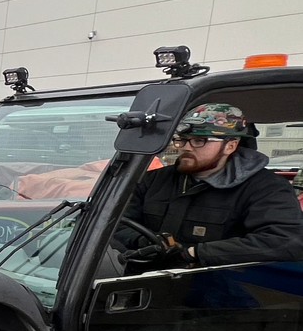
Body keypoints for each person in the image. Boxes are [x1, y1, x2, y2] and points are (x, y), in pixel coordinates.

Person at [122, 102, 303, 270]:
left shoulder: (265, 188)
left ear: (230, 146)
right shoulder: (153, 180)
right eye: (183, 139)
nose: (186, 148)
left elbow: (286, 241)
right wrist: (145, 243)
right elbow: (113, 224)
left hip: (221, 289)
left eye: (199, 141)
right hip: (145, 282)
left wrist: (194, 253)